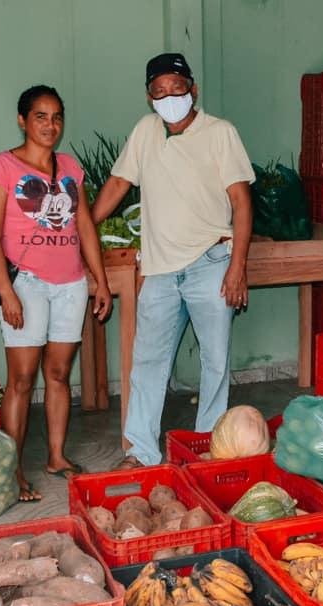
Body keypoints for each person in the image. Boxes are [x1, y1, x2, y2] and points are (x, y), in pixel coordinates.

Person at [92, 53, 254, 469]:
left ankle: (208, 451)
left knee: (214, 361)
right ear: (150, 97)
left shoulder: (221, 133)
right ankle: (141, 454)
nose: (169, 97)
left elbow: (241, 202)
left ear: (192, 89)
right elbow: (118, 183)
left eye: (176, 88)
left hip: (210, 261)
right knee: (147, 363)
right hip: (160, 270)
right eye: (160, 92)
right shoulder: (146, 131)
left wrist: (237, 266)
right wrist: (85, 224)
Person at [0, 85, 112, 501]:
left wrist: (99, 280)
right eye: (40, 116)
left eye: (56, 117)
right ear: (22, 120)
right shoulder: (0, 167)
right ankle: (12, 471)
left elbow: (85, 225)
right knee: (20, 381)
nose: (50, 125)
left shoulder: (70, 166)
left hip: (70, 283)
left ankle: (56, 456)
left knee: (58, 375)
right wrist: (7, 292)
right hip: (26, 284)